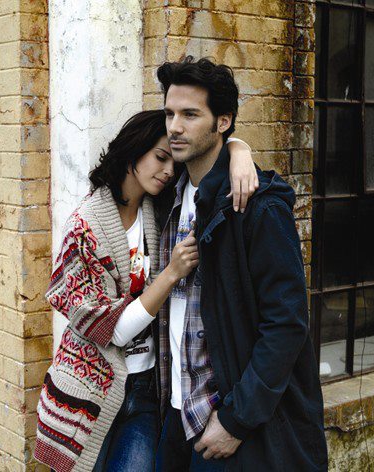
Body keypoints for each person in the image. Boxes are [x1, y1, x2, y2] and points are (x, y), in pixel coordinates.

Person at [33, 109, 258, 472]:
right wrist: (171, 273)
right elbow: (115, 332)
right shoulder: (85, 228)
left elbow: (207, 154)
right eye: (160, 157)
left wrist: (239, 149)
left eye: (173, 163)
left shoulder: (161, 210)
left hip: (147, 390)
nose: (168, 171)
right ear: (133, 151)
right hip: (90, 392)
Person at [154, 57, 328, 471]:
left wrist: (236, 420)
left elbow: (286, 324)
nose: (175, 127)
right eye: (170, 114)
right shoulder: (165, 196)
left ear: (223, 121)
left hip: (228, 423)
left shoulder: (258, 208)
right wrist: (238, 148)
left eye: (190, 115)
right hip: (175, 413)